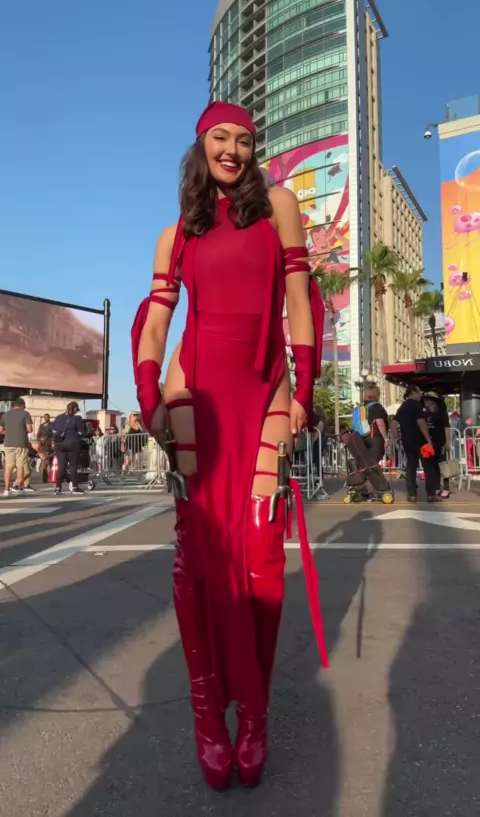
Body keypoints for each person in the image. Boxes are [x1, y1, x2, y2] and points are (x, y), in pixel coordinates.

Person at [131, 101, 327, 789]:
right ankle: (208, 713)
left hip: (266, 388)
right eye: (221, 137)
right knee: (200, 552)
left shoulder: (279, 206)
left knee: (262, 550)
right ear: (200, 145)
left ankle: (256, 714)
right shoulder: (176, 234)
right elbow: (157, 324)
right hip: (195, 396)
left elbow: (299, 302)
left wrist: (305, 388)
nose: (233, 150)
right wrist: (149, 392)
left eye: (245, 140)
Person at [392, 385, 439, 503]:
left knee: (411, 467)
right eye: (419, 392)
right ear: (413, 392)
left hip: (407, 441)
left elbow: (393, 424)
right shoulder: (416, 406)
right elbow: (421, 422)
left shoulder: (403, 406)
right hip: (420, 441)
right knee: (428, 467)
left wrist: (398, 438)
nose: (421, 395)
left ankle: (412, 495)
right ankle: (431, 494)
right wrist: (428, 439)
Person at [0, 398, 33, 496]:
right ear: (22, 405)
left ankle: (6, 489)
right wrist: (21, 431)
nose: (25, 407)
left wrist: (9, 432)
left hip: (8, 443)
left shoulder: (5, 415)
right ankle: (19, 486)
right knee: (20, 465)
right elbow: (30, 429)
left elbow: (1, 430)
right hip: (21, 443)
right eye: (24, 405)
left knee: (8, 466)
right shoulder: (25, 414)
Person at [52, 401, 85, 495]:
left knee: (61, 467)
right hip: (72, 443)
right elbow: (81, 432)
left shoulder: (58, 417)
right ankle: (75, 487)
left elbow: (54, 430)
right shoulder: (77, 418)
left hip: (60, 444)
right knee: (73, 466)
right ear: (75, 409)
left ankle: (58, 488)